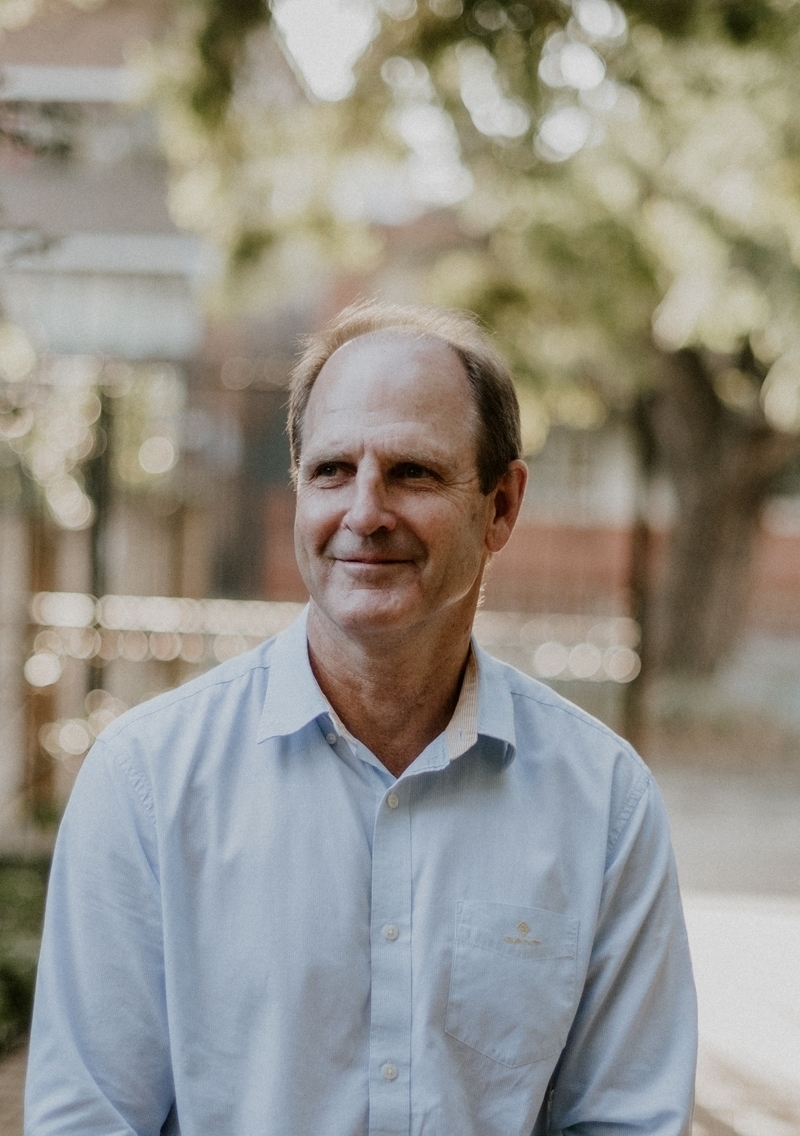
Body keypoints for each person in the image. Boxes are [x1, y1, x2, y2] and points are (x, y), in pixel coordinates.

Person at [25, 302, 697, 1136]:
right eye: (333, 470)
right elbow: (88, 1119)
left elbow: (630, 1120)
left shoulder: (603, 803)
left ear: (501, 506)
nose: (366, 512)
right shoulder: (146, 782)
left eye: (413, 472)